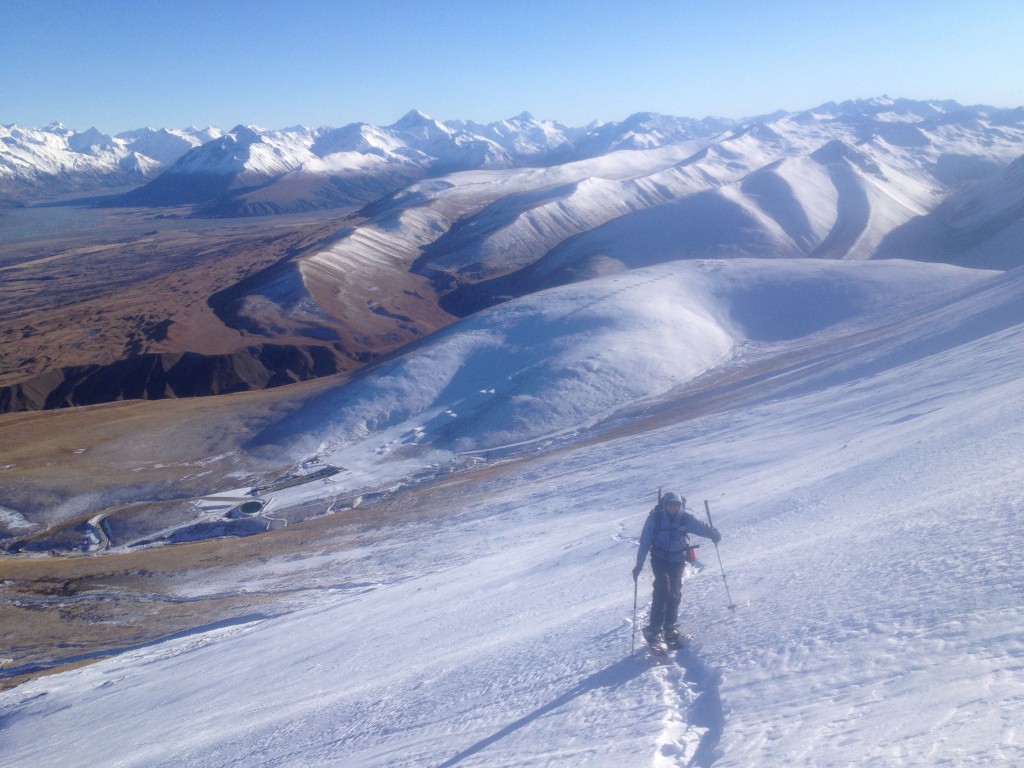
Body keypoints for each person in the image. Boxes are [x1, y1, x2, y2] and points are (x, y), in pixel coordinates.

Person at [632, 491, 721, 647]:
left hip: (677, 559)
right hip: (659, 559)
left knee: (675, 592)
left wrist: (713, 534)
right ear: (665, 505)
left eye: (676, 505)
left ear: (680, 505)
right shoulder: (656, 518)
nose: (673, 507)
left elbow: (701, 527)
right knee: (662, 589)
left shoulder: (685, 518)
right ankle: (654, 628)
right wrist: (639, 564)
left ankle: (669, 626)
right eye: (670, 504)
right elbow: (645, 541)